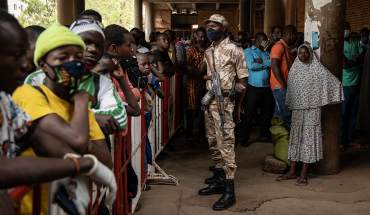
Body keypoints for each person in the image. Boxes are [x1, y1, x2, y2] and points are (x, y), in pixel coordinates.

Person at [0, 10, 117, 215]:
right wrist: (84, 162)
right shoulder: (29, 94)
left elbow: (40, 139)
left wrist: (83, 163)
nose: (25, 65)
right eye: (16, 55)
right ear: (43, 64)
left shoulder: (6, 104)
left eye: (78, 57)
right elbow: (77, 143)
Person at [25, 19, 130, 134]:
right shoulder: (37, 79)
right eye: (86, 42)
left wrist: (57, 114)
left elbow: (120, 119)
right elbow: (30, 116)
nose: (93, 49)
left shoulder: (102, 82)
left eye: (99, 45)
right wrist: (92, 117)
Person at [198, 14, 248, 211]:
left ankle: (230, 191)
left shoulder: (235, 50)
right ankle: (219, 181)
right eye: (208, 25)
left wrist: (237, 106)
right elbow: (202, 71)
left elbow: (243, 81)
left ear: (224, 28)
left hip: (224, 103)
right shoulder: (209, 49)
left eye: (214, 25)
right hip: (210, 101)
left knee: (226, 144)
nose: (210, 28)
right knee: (213, 141)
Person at [276, 44, 344, 186]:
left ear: (310, 54)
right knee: (296, 138)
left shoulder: (317, 69)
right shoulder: (294, 69)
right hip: (298, 110)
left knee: (308, 139)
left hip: (312, 110)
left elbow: (333, 81)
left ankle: (303, 173)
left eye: (306, 53)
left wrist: (332, 94)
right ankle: (292, 170)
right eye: (300, 53)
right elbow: (292, 90)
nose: (303, 56)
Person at [242, 32, 275, 147]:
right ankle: (245, 138)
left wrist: (261, 61)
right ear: (258, 40)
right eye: (264, 40)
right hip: (254, 87)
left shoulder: (266, 53)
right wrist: (266, 64)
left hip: (266, 87)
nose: (266, 42)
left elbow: (272, 63)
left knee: (266, 113)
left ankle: (264, 135)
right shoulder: (248, 51)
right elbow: (251, 66)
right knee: (249, 113)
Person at [341, 21, 365, 151]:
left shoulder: (355, 41)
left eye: (347, 27)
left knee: (353, 112)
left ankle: (350, 139)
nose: (346, 30)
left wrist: (352, 61)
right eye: (343, 28)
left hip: (356, 81)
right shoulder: (338, 43)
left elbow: (363, 55)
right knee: (342, 113)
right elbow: (344, 65)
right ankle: (339, 140)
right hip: (345, 83)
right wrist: (356, 60)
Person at [270, 25, 297, 131]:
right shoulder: (278, 46)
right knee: (286, 114)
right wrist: (283, 84)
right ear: (291, 34)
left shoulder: (286, 47)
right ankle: (291, 140)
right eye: (295, 35)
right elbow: (274, 66)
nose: (295, 38)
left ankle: (278, 138)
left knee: (278, 115)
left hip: (283, 86)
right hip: (280, 86)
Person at [184, 27, 207, 143]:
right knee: (192, 110)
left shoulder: (208, 49)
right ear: (196, 37)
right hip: (193, 83)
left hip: (206, 84)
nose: (203, 39)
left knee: (204, 110)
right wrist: (193, 70)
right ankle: (189, 134)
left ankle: (202, 134)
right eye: (201, 37)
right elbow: (187, 66)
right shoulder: (191, 50)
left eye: (204, 36)